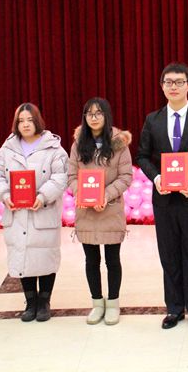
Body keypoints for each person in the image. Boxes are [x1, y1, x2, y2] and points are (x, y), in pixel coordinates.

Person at [136, 62, 188, 330]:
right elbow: (142, 156)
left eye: (179, 82)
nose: (174, 87)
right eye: (168, 82)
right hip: (164, 199)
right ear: (162, 86)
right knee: (169, 255)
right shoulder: (153, 120)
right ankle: (174, 309)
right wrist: (157, 178)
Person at [0, 103, 68, 322]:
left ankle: (44, 301)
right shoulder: (8, 148)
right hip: (17, 214)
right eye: (21, 120)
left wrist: (42, 196)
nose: (25, 124)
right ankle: (30, 301)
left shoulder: (53, 147)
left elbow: (61, 176)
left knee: (45, 256)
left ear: (38, 121)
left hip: (43, 211)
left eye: (30, 120)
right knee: (22, 256)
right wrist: (5, 195)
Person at [68, 97, 133, 325]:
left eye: (98, 113)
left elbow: (126, 176)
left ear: (106, 116)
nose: (94, 118)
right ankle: (97, 303)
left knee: (112, 260)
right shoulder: (78, 144)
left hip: (110, 209)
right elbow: (71, 176)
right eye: (89, 114)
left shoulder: (119, 143)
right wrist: (81, 194)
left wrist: (105, 195)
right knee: (91, 260)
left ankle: (113, 303)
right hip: (86, 211)